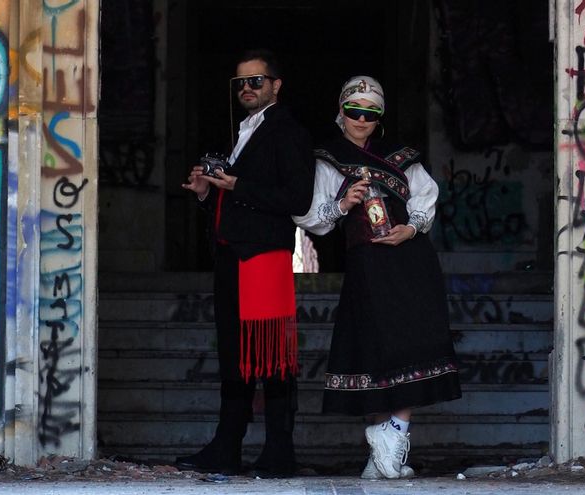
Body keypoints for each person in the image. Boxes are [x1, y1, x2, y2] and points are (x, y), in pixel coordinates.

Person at [293, 76, 461, 479]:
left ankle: (393, 436)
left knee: (414, 347)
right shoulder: (327, 158)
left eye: (371, 112)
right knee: (372, 350)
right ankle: (382, 455)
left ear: (380, 116)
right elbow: (310, 218)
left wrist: (413, 227)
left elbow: (426, 196)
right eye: (354, 111)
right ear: (341, 110)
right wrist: (342, 203)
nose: (361, 120)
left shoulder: (402, 156)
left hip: (410, 259)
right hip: (367, 265)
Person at [177, 49, 315, 477]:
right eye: (240, 83)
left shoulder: (288, 132)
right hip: (232, 258)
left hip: (263, 259)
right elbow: (237, 201)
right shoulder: (242, 132)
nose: (248, 89)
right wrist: (206, 191)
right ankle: (227, 446)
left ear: (277, 85)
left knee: (272, 356)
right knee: (236, 357)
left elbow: (297, 199)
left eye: (256, 81)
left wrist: (237, 183)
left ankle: (279, 451)